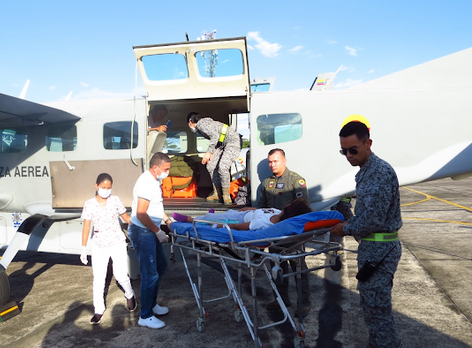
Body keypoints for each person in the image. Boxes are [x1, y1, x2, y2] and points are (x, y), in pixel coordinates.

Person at [330, 121, 403, 348]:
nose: (348, 155)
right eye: (344, 151)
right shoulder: (366, 171)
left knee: (378, 315)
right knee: (373, 313)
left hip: (379, 251)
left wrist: (346, 228)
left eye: (353, 149)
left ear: (368, 143)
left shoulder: (378, 173)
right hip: (374, 250)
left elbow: (373, 219)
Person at [257, 148, 311, 317]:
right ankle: (280, 299)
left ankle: (304, 302)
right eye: (270, 162)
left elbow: (303, 207)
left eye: (276, 161)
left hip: (292, 233)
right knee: (276, 267)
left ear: (284, 161)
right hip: (274, 232)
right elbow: (261, 208)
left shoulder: (296, 181)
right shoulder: (267, 183)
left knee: (298, 267)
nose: (272, 165)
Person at [80, 173, 136, 325]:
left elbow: (126, 217)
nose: (106, 190)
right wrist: (84, 247)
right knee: (98, 279)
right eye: (103, 187)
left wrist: (139, 227)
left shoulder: (115, 200)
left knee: (121, 275)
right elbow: (86, 227)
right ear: (96, 186)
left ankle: (130, 294)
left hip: (117, 242)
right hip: (99, 244)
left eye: (109, 187)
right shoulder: (89, 204)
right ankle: (98, 309)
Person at [128, 152, 173, 329]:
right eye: (166, 169)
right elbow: (141, 213)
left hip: (149, 230)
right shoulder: (147, 183)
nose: (167, 173)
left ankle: (152, 304)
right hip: (143, 231)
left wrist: (167, 221)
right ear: (156, 168)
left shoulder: (155, 180)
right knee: (150, 274)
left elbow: (156, 207)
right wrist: (157, 231)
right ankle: (145, 316)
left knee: (161, 266)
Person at [187, 112, 241, 205]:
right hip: (222, 144)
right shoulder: (203, 124)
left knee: (223, 167)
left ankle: (226, 196)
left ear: (190, 122)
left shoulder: (201, 124)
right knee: (211, 166)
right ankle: (217, 193)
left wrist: (209, 152)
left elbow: (214, 136)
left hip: (232, 142)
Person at [172, 198, 312, 231]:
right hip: (244, 213)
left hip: (238, 220)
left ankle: (190, 219)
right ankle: (211, 215)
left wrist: (222, 226)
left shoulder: (265, 224)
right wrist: (250, 208)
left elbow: (239, 227)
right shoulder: (276, 213)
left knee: (210, 219)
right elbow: (263, 210)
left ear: (289, 209)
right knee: (226, 212)